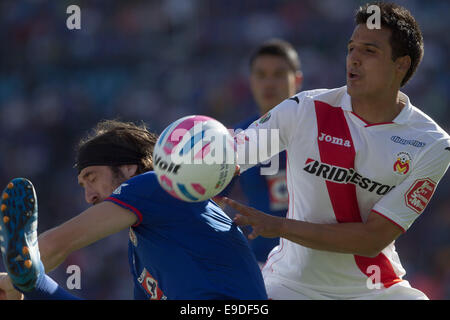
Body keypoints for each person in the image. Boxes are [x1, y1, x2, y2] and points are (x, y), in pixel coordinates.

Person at [220, 2, 450, 299]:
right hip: (290, 285)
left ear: (401, 64)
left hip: (376, 288)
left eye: (369, 51)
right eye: (351, 48)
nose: (353, 59)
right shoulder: (303, 110)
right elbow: (236, 154)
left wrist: (276, 225)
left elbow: (372, 239)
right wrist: (177, 154)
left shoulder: (432, 144)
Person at [0, 120, 267, 300]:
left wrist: (18, 275)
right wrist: (33, 285)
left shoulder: (153, 185)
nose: (88, 196)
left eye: (91, 177)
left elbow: (55, 245)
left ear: (128, 168)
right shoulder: (139, 249)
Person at [218, 39, 303, 266]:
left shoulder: (317, 131)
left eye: (278, 74)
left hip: (317, 256)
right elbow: (214, 199)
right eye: (261, 75)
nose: (269, 83)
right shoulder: (238, 137)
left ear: (297, 80)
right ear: (251, 81)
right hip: (263, 262)